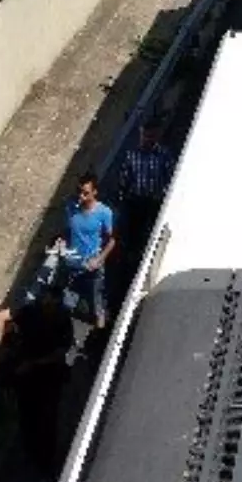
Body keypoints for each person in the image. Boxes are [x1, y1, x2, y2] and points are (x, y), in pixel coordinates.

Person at [0, 287, 73, 475]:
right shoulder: (32, 312)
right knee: (31, 416)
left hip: (46, 375)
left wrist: (30, 363)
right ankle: (35, 455)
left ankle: (44, 460)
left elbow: (59, 353)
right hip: (29, 375)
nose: (47, 306)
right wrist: (1, 351)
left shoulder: (59, 319)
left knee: (46, 418)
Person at [55, 174, 115, 330]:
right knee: (67, 304)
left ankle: (99, 336)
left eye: (85, 193)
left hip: (92, 266)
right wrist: (61, 243)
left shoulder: (104, 213)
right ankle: (65, 339)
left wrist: (99, 259)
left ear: (95, 192)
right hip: (72, 264)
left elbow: (111, 240)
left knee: (96, 304)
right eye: (79, 191)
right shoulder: (70, 208)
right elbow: (67, 231)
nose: (80, 196)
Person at [118, 123, 175, 265]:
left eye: (150, 136)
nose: (146, 139)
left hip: (155, 202)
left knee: (153, 232)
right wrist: (123, 196)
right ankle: (133, 259)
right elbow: (125, 178)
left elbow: (170, 177)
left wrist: (163, 194)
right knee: (134, 233)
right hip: (136, 201)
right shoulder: (132, 155)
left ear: (156, 137)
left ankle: (152, 257)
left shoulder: (164, 154)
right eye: (144, 136)